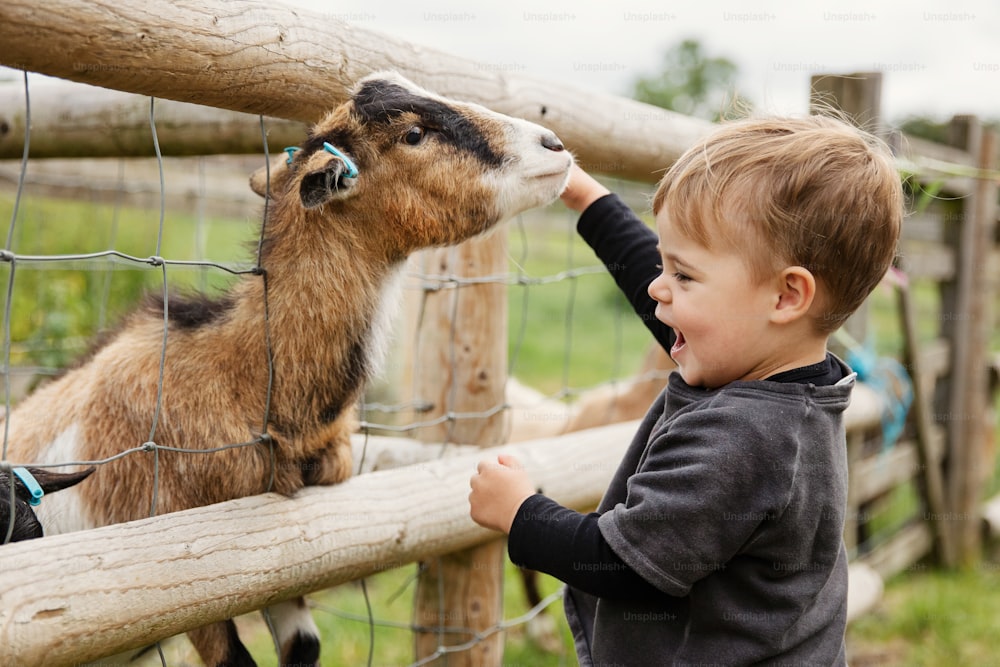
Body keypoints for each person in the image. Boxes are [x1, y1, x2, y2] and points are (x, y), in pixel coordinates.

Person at [468, 114, 903, 665]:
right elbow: (658, 284)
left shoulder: (748, 437)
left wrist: (521, 513)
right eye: (665, 265)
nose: (658, 287)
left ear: (787, 296)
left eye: (684, 276)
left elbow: (625, 564)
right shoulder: (782, 380)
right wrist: (586, 195)